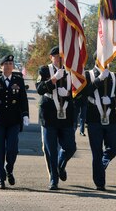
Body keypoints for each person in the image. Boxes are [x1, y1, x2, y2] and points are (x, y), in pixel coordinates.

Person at [36, 45, 77, 191]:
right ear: (51, 57)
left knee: (71, 147)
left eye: (62, 56)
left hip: (66, 116)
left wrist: (69, 93)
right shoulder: (44, 70)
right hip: (49, 116)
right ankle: (54, 180)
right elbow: (40, 89)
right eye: (57, 56)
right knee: (51, 150)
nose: (60, 59)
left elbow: (78, 92)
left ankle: (61, 165)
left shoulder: (70, 71)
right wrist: (53, 80)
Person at [0, 54, 29, 190]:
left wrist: (25, 115)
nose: (9, 66)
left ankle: (9, 169)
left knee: (12, 149)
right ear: (2, 66)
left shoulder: (18, 80)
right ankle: (0, 177)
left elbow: (23, 99)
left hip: (13, 121)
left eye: (11, 64)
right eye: (6, 64)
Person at [84, 53, 116, 191]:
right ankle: (99, 183)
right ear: (96, 60)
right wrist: (98, 80)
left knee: (113, 147)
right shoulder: (88, 75)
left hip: (111, 119)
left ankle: (103, 162)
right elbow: (84, 94)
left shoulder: (114, 76)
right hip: (94, 119)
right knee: (96, 152)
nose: (106, 62)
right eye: (103, 59)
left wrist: (112, 102)